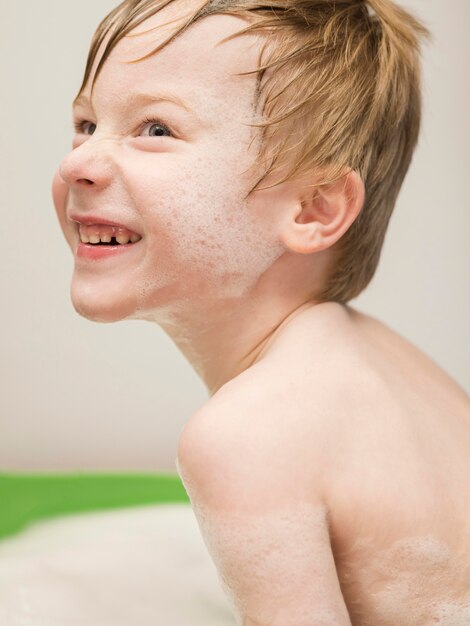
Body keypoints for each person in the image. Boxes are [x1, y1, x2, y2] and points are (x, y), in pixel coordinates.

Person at [51, 0, 470, 623]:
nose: (75, 163)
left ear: (313, 208)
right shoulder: (380, 362)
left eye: (155, 129)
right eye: (87, 124)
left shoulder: (247, 438)